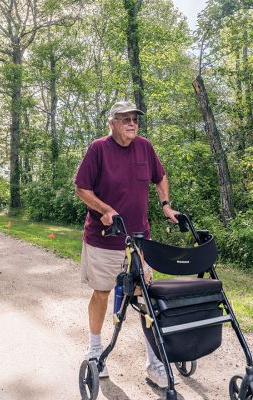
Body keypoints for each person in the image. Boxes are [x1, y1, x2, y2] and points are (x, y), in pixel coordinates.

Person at [74, 100, 179, 388]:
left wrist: (166, 205)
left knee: (145, 297)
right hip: (104, 239)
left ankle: (154, 362)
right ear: (112, 123)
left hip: (139, 238)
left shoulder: (145, 146)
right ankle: (95, 350)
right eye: (125, 119)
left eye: (135, 118)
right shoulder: (98, 149)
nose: (132, 123)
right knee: (102, 292)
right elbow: (82, 187)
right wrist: (104, 209)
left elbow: (160, 177)